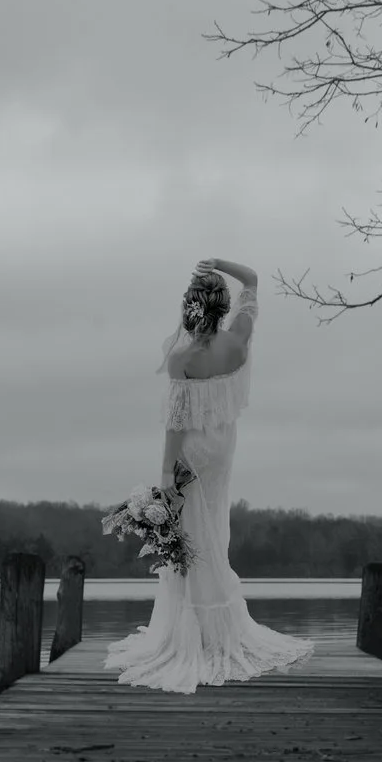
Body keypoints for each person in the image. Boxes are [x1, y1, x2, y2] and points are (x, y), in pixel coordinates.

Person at [106, 257, 313, 692]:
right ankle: (218, 631)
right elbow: (253, 279)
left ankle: (194, 635)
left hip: (193, 454)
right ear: (221, 308)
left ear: (189, 308)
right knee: (213, 531)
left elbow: (177, 422)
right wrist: (219, 262)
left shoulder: (183, 357)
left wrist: (165, 477)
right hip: (222, 451)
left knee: (192, 535)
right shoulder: (238, 341)